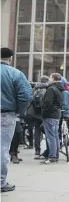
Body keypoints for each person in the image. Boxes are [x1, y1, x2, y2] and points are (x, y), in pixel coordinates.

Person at [1, 48, 32, 191]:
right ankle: (1, 182)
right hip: (6, 115)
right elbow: (25, 96)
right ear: (10, 59)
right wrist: (19, 112)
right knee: (2, 149)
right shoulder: (15, 74)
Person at [40, 73, 64, 164]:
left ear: (53, 78)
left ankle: (52, 157)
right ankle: (56, 155)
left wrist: (44, 112)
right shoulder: (60, 89)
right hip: (56, 115)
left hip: (50, 115)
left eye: (50, 77)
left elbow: (47, 103)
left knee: (50, 137)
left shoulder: (51, 89)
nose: (49, 79)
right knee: (55, 136)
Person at [27, 76, 50, 158]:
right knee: (47, 131)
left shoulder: (35, 88)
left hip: (35, 114)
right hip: (44, 114)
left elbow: (29, 99)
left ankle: (37, 149)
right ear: (47, 81)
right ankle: (49, 149)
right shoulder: (48, 88)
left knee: (37, 131)